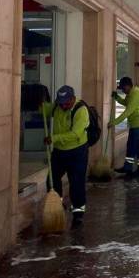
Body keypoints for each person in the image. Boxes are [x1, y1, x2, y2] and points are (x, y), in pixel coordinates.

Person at [42, 85, 90, 225]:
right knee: (51, 180)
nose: (63, 105)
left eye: (66, 102)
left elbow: (76, 134)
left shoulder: (81, 110)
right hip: (59, 152)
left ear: (73, 98)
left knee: (76, 183)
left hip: (77, 152)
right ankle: (58, 205)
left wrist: (54, 138)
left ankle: (78, 213)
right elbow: (44, 110)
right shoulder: (57, 107)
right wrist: (40, 101)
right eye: (61, 102)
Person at [109, 76, 139, 177]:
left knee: (137, 147)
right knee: (132, 146)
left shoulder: (135, 95)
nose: (122, 90)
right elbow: (126, 103)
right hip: (136, 125)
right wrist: (117, 97)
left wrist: (114, 122)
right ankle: (129, 168)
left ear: (127, 86)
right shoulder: (131, 93)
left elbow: (127, 112)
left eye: (123, 88)